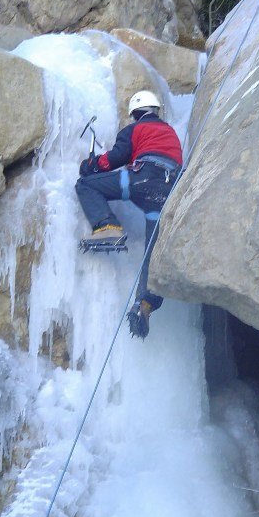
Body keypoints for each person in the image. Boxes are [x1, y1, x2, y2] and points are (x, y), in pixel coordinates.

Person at [75, 90, 183, 339]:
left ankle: (107, 227)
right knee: (151, 255)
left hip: (141, 180)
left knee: (86, 185)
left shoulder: (135, 130)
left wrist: (91, 166)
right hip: (166, 193)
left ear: (136, 113)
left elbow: (115, 158)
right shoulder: (171, 133)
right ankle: (145, 304)